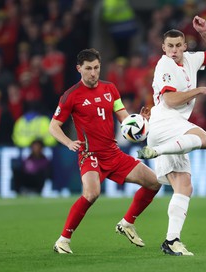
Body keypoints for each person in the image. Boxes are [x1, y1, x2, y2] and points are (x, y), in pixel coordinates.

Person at [49, 48, 161, 254]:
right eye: (89, 68)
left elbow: (124, 119)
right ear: (79, 69)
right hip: (90, 155)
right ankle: (63, 240)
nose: (93, 73)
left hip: (113, 153)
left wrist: (139, 121)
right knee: (92, 194)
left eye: (96, 68)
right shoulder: (70, 96)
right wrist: (67, 143)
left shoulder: (110, 89)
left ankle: (127, 223)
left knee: (154, 182)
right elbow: (53, 126)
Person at [137, 16, 206, 256]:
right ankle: (158, 151)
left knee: (184, 186)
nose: (174, 50)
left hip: (171, 127)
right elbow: (170, 99)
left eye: (178, 46)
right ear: (163, 48)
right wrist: (200, 90)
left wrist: (205, 32)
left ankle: (171, 241)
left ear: (185, 46)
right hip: (164, 122)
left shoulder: (192, 60)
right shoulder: (164, 65)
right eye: (170, 46)